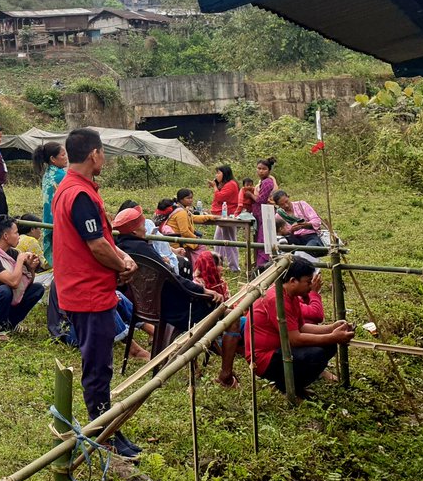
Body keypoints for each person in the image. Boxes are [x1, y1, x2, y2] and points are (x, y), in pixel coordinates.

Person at [51, 128, 141, 459]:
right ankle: (101, 433)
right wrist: (122, 264)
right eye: (103, 152)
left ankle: (106, 428)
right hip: (87, 293)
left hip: (87, 289)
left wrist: (121, 257)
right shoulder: (80, 195)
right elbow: (97, 244)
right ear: (94, 154)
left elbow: (103, 238)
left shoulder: (74, 189)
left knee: (100, 363)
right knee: (97, 366)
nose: (104, 158)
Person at [113, 205, 239, 387]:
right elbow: (175, 280)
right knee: (231, 316)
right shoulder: (143, 249)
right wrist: (203, 291)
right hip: (174, 309)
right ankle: (225, 375)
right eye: (142, 224)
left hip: (145, 307)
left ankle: (196, 362)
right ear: (134, 230)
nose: (146, 227)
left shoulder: (122, 248)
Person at [246, 255, 353, 395]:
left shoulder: (291, 296)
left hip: (280, 348)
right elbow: (294, 339)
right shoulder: (277, 299)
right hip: (264, 358)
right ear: (293, 281)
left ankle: (294, 385)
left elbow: (301, 327)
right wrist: (333, 336)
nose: (311, 286)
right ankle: (288, 388)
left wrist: (331, 328)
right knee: (316, 354)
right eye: (308, 282)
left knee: (328, 346)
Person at [0, 215, 46, 332]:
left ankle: (10, 323)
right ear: (6, 236)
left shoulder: (12, 253)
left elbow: (26, 283)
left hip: (8, 301)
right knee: (4, 290)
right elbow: (13, 282)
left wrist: (31, 269)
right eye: (16, 233)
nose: (19, 236)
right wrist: (21, 260)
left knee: (37, 289)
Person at [34, 142, 68, 268]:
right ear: (53, 159)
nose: (66, 158)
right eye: (63, 155)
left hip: (48, 219)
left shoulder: (47, 174)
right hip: (59, 219)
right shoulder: (61, 176)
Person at [208, 165, 242, 272]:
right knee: (218, 240)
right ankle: (218, 263)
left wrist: (214, 187)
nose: (216, 175)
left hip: (228, 215)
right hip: (222, 215)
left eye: (218, 173)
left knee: (230, 241)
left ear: (225, 173)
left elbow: (220, 197)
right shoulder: (226, 184)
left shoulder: (231, 184)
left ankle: (234, 267)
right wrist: (216, 185)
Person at [252, 158, 277, 269]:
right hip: (260, 215)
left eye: (264, 169)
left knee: (264, 242)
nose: (261, 171)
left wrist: (249, 194)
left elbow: (261, 200)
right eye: (259, 168)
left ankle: (263, 268)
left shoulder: (267, 182)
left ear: (269, 170)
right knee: (260, 241)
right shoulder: (262, 182)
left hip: (266, 215)